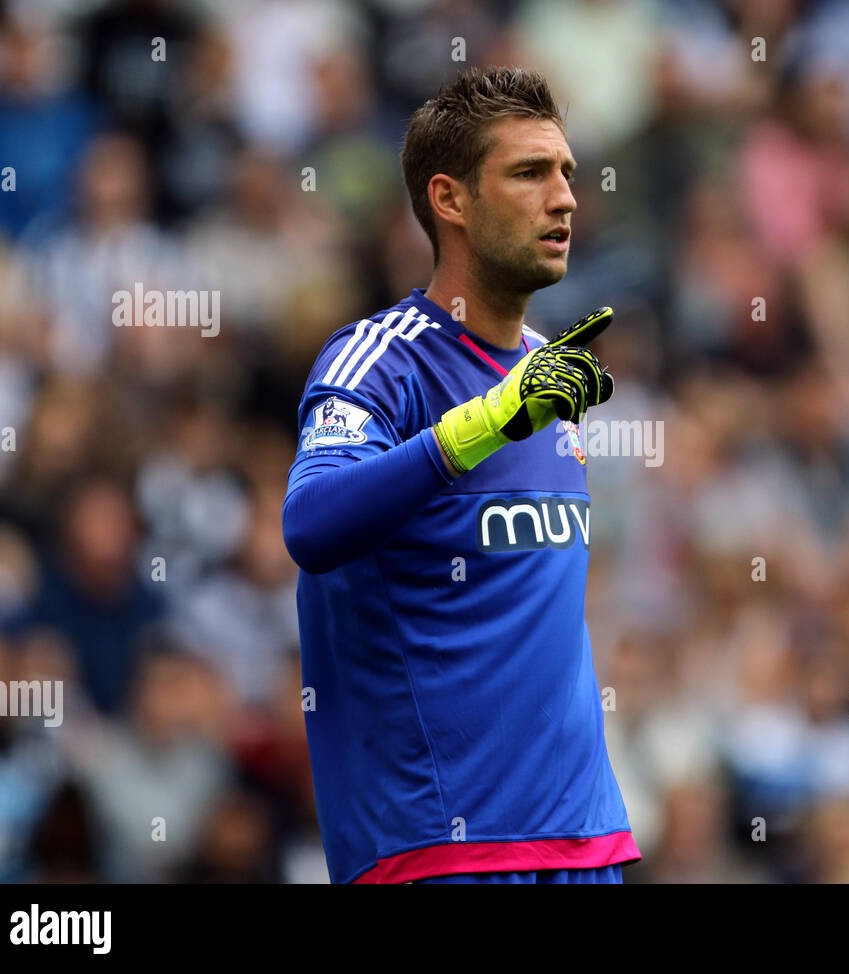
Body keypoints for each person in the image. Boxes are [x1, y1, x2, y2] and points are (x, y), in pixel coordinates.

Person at [281, 65, 638, 884]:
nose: (566, 198)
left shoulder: (553, 377)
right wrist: (483, 424)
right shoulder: (380, 361)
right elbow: (312, 524)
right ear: (450, 200)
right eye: (529, 173)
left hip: (587, 845)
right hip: (442, 849)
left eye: (567, 173)